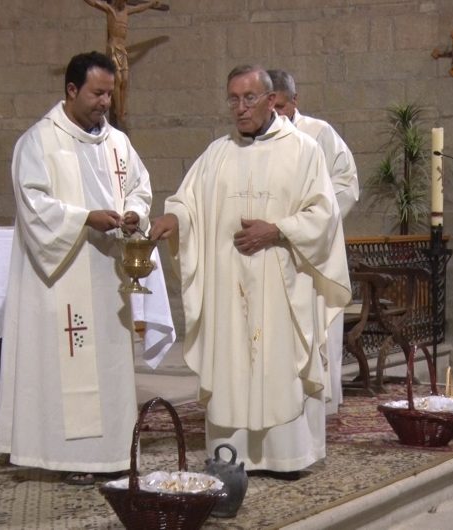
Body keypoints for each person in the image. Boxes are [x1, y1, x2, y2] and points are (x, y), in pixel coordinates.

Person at [150, 65, 351, 477]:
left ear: (271, 99)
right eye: (233, 99)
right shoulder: (216, 154)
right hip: (230, 286)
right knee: (233, 365)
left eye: (249, 99)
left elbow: (324, 213)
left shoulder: (302, 150)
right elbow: (188, 202)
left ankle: (287, 456)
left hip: (281, 286)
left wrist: (277, 230)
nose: (240, 109)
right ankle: (231, 456)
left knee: (279, 363)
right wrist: (175, 221)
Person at [0, 51, 153, 486]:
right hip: (63, 273)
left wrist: (135, 212)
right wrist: (85, 218)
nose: (106, 102)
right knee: (68, 359)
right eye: (98, 93)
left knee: (109, 366)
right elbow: (34, 205)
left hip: (109, 275)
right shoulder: (38, 142)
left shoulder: (117, 142)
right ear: (71, 90)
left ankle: (114, 453)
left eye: (110, 93)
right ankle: (70, 456)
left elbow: (140, 185)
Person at [268, 68, 359, 416]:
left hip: (314, 250)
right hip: (273, 246)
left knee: (316, 328)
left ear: (295, 101)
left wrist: (309, 218)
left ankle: (321, 402)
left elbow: (348, 184)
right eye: (270, 107)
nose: (275, 115)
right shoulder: (252, 140)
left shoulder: (319, 134)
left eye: (280, 107)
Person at [83, 0, 168, 127]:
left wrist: (151, 4)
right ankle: (118, 110)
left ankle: (122, 109)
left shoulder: (126, 11)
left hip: (122, 50)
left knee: (125, 80)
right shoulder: (110, 9)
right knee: (118, 78)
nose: (123, 2)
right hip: (113, 46)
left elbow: (139, 8)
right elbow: (94, 3)